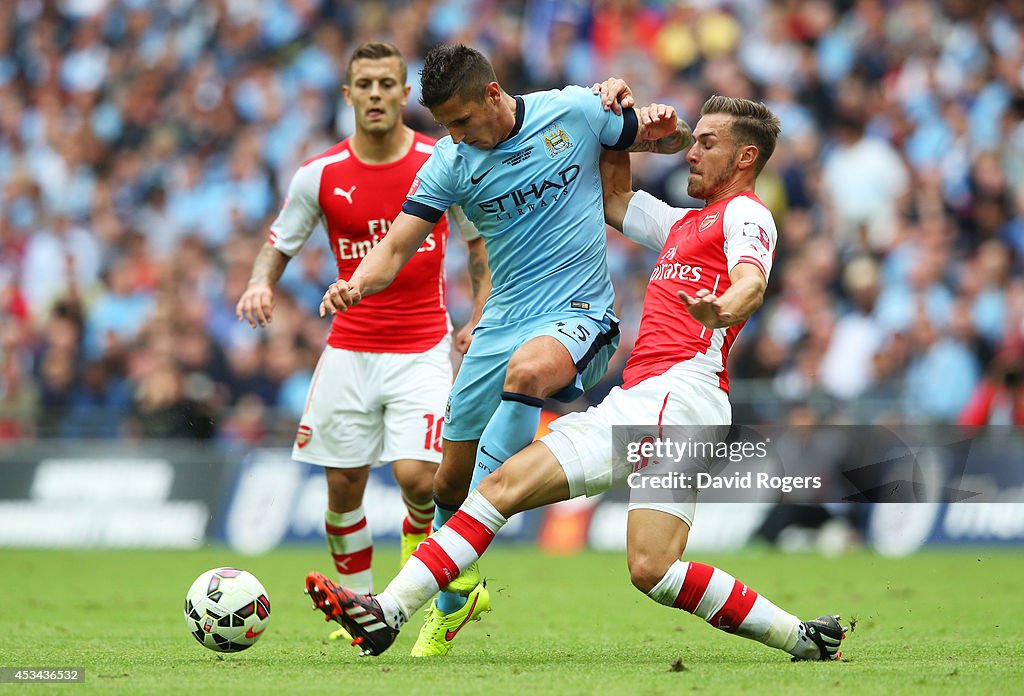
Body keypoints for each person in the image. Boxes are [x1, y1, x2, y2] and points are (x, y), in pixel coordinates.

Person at [307, 95, 850, 662]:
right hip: (662, 403)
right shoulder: (684, 225)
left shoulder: (747, 215)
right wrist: (613, 114)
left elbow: (751, 281)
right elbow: (614, 199)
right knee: (653, 569)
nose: (690, 154)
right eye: (692, 142)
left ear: (745, 157)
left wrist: (724, 306)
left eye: (706, 144)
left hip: (676, 394)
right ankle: (804, 639)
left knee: (499, 489)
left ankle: (388, 612)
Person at [315, 44, 689, 656]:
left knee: (529, 373)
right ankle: (456, 599)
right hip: (500, 325)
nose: (456, 135)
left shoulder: (574, 112)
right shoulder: (450, 162)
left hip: (579, 314)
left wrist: (666, 127)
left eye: (462, 121)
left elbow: (658, 141)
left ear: (492, 95)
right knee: (447, 485)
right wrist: (354, 284)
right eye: (445, 126)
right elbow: (395, 248)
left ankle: (410, 590)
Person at [235, 42, 489, 639]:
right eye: (365, 84)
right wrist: (257, 285)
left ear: (405, 94)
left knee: (419, 479)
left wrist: (478, 315)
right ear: (347, 95)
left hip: (422, 347)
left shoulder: (442, 159)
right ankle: (363, 610)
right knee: (342, 489)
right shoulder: (318, 175)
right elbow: (280, 242)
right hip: (347, 351)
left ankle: (415, 591)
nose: (375, 94)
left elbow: (478, 246)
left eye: (386, 84)